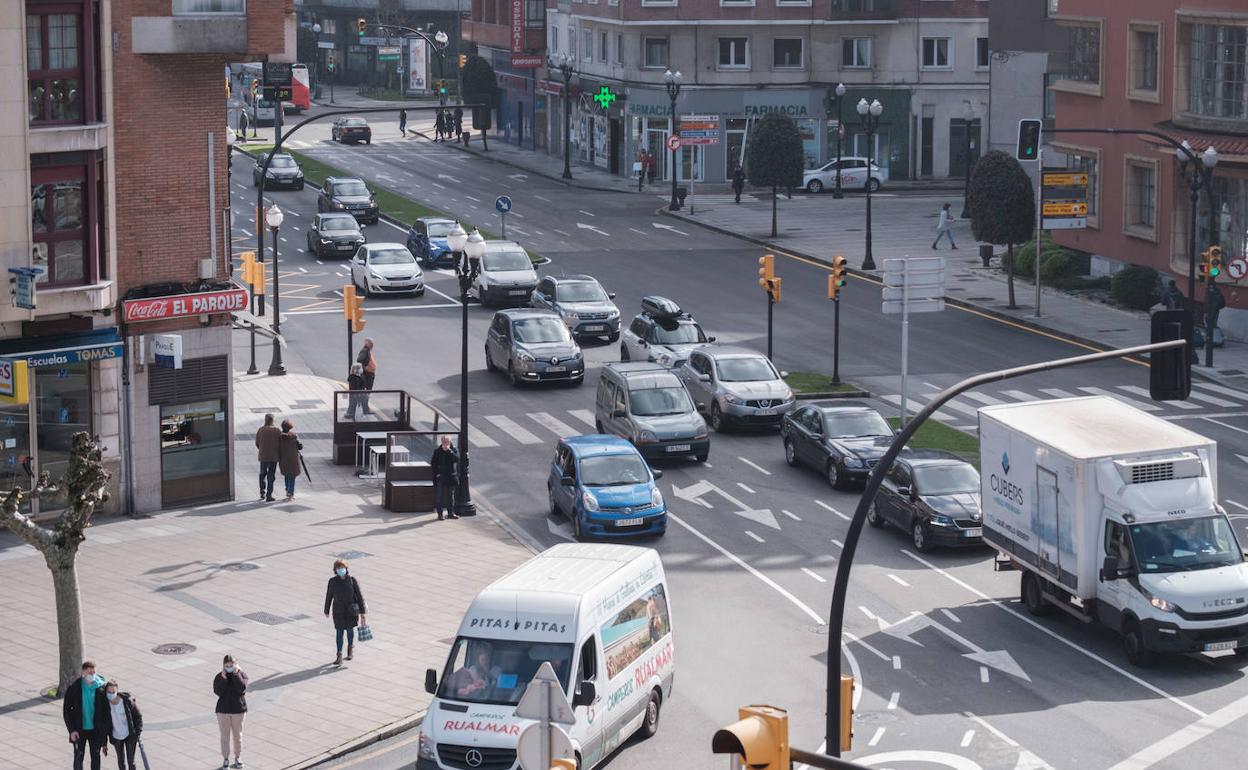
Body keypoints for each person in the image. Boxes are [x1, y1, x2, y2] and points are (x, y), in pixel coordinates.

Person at [64, 660, 108, 770]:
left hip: (95, 730)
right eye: (89, 673)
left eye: (94, 673)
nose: (92, 675)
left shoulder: (101, 688)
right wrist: (72, 730)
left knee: (96, 757)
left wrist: (104, 735)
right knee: (79, 757)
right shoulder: (74, 688)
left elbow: (106, 712)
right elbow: (67, 710)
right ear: (83, 672)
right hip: (79, 730)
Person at [324, 559, 367, 666]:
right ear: (335, 570)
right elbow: (329, 596)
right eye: (338, 568)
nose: (341, 570)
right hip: (338, 611)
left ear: (346, 569)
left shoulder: (352, 580)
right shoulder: (332, 582)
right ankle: (339, 655)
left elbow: (359, 597)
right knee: (339, 632)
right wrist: (326, 609)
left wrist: (362, 612)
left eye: (342, 568)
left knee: (350, 630)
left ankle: (350, 648)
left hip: (351, 611)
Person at [213, 655, 247, 769]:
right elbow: (218, 691)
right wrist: (223, 678)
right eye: (226, 666)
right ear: (223, 666)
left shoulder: (242, 675)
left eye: (231, 665)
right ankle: (226, 759)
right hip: (223, 711)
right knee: (225, 737)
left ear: (235, 664)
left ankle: (238, 757)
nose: (229, 667)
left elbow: (241, 688)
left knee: (238, 736)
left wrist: (236, 675)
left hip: (238, 710)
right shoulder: (219, 676)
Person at [100, 680, 142, 770]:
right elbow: (104, 725)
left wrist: (137, 734)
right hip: (116, 737)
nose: (111, 694)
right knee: (120, 761)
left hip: (129, 735)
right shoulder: (105, 705)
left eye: (113, 692)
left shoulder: (127, 702)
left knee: (131, 761)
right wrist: (104, 743)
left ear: (117, 691)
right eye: (109, 692)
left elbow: (138, 717)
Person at [430, 435, 459, 520]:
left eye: (447, 442)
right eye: (443, 442)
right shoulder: (437, 451)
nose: (445, 443)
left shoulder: (454, 450)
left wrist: (449, 451)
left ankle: (451, 513)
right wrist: (437, 474)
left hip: (451, 477)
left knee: (450, 496)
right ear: (441, 442)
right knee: (440, 497)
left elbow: (456, 459)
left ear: (450, 442)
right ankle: (440, 514)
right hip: (441, 477)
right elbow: (433, 464)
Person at [255, 414, 281, 502]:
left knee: (262, 473)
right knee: (271, 475)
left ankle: (262, 492)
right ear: (272, 420)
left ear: (265, 420)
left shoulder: (261, 430)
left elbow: (257, 443)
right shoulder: (277, 430)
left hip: (263, 456)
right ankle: (269, 495)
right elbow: (281, 443)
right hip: (274, 456)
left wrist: (262, 449)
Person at [277, 419, 303, 502]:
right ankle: (290, 493)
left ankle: (287, 490)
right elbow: (300, 447)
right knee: (292, 477)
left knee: (286, 475)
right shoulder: (294, 436)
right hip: (293, 460)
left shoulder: (279, 437)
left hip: (284, 460)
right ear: (290, 427)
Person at [357, 338, 377, 413]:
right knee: (367, 391)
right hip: (368, 375)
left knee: (367, 392)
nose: (372, 346)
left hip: (369, 374)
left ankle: (365, 407)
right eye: (371, 344)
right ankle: (365, 409)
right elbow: (359, 360)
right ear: (368, 344)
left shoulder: (367, 350)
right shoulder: (365, 350)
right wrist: (365, 368)